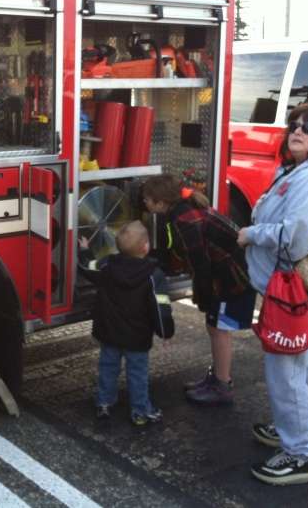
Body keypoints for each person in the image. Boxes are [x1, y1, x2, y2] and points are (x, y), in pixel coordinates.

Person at [237, 102, 308, 486]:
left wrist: (252, 234)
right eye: (294, 124)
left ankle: (298, 453)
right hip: (294, 291)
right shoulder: (301, 170)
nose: (298, 131)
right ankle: (294, 427)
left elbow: (295, 237)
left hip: (298, 293)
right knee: (301, 364)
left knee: (286, 371)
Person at [141, 174, 254, 406]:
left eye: (147, 200)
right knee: (214, 327)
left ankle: (222, 385)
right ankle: (216, 378)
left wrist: (203, 296)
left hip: (232, 280)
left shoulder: (185, 219)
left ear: (161, 203)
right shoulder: (184, 210)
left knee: (220, 329)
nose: (144, 203)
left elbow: (200, 264)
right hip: (225, 277)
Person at [78, 221, 166, 426]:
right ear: (146, 247)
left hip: (109, 333)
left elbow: (88, 269)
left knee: (108, 368)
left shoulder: (108, 265)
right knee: (137, 373)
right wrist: (165, 331)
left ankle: (104, 402)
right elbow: (160, 307)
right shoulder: (153, 275)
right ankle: (141, 411)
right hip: (137, 337)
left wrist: (84, 250)